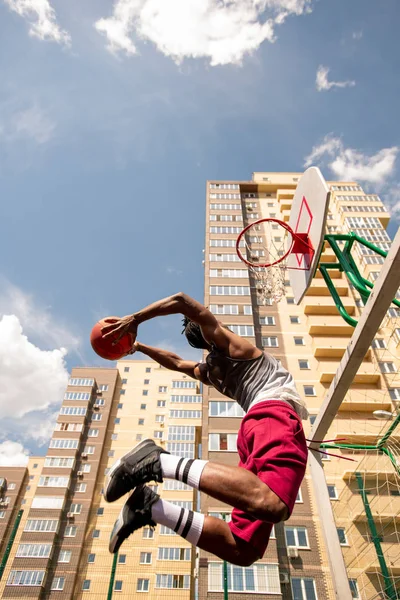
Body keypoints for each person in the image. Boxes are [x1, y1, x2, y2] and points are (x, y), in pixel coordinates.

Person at [101, 292, 309, 566]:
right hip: (274, 415)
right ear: (210, 331)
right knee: (273, 502)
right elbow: (182, 301)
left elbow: (175, 362)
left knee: (243, 549)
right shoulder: (234, 346)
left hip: (254, 429)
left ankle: (152, 508)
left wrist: (139, 347)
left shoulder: (210, 371)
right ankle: (158, 461)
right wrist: (135, 319)